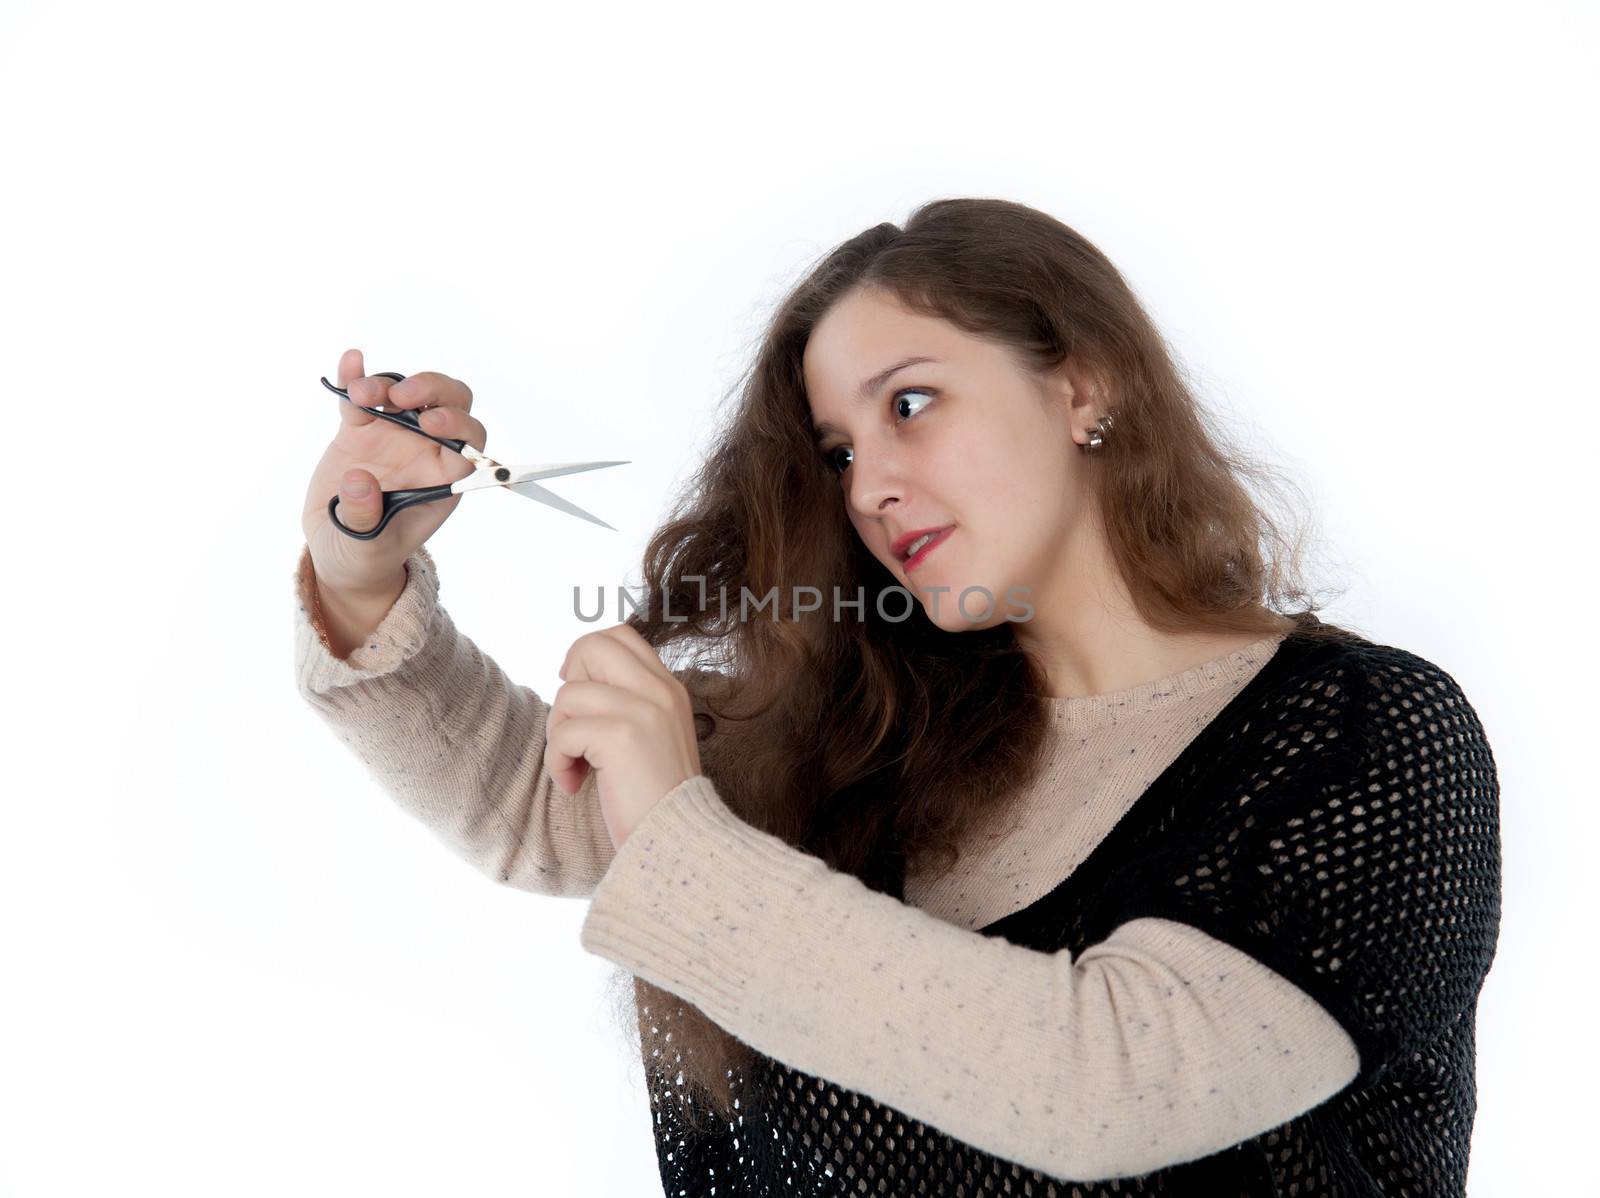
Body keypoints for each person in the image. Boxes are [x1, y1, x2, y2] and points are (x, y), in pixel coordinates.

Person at [293, 198, 1502, 1196]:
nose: (869, 485)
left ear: (1084, 387)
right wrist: (362, 574)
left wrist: (680, 833)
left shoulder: (1365, 736)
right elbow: (531, 800)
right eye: (838, 451)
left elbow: (1106, 1083)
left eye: (909, 404)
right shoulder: (867, 732)